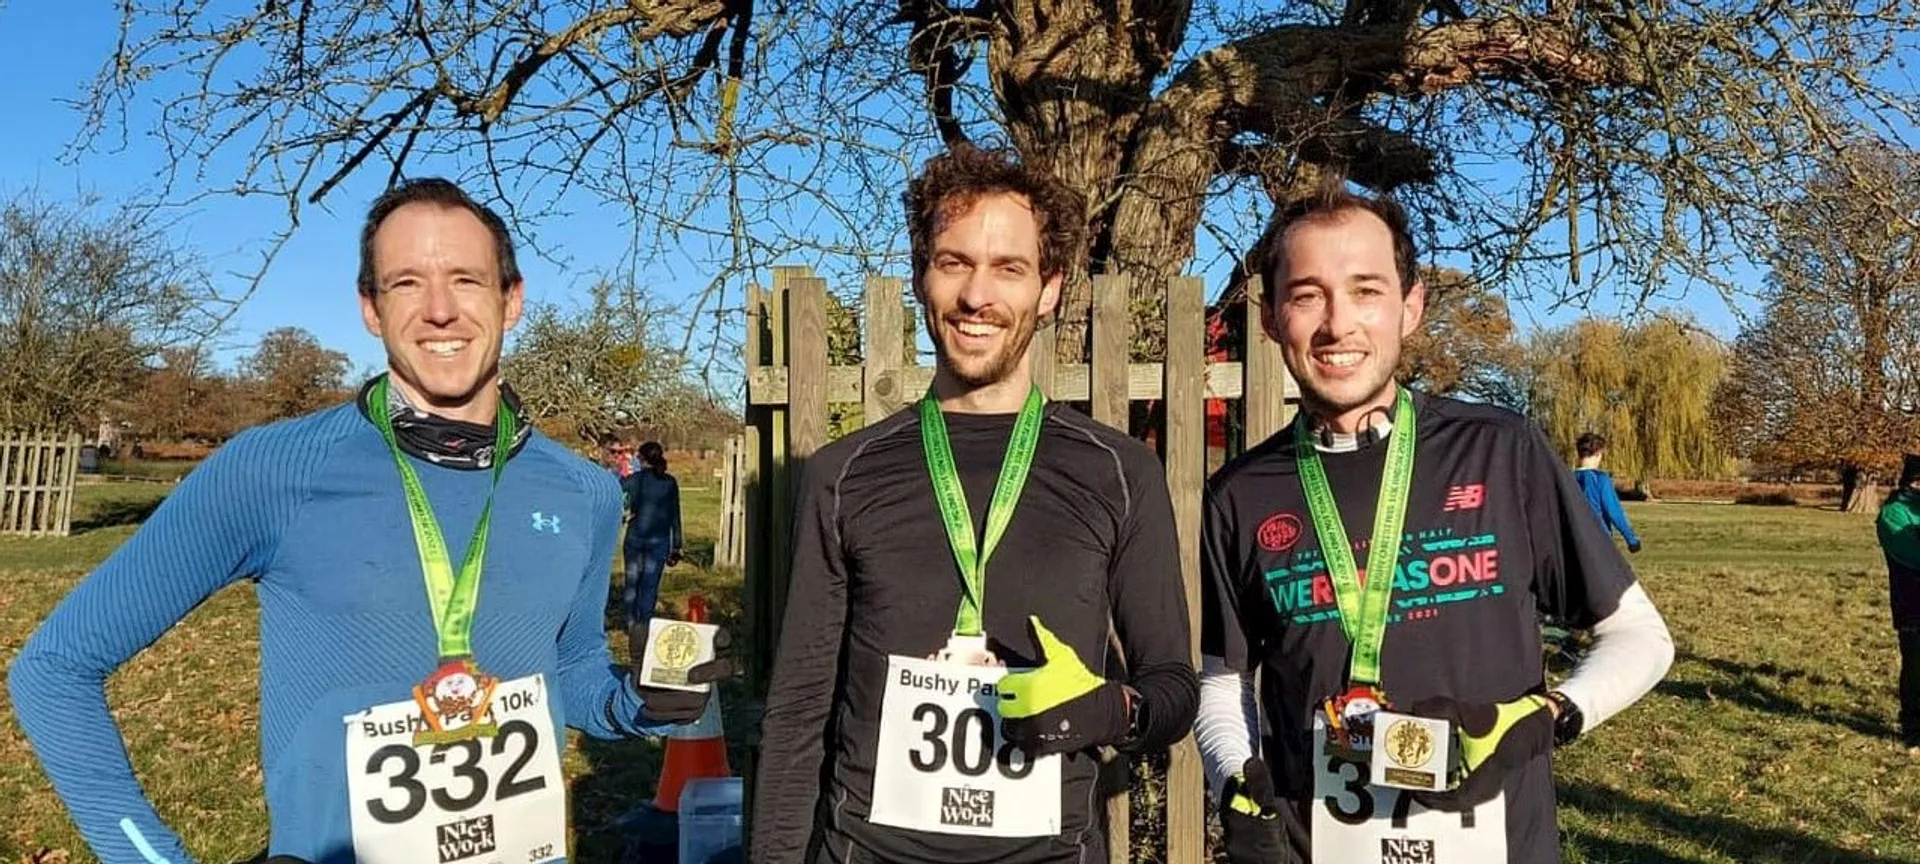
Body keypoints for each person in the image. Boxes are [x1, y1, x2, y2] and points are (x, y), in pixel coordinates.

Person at [7, 177, 726, 864]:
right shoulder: (272, 470)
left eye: (466, 280)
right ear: (370, 309)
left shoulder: (585, 492)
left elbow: (570, 674)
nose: (439, 310)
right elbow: (55, 670)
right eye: (406, 283)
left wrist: (639, 703)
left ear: (512, 300)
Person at [1196, 183, 1675, 864]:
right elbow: (1223, 679)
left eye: (1366, 291)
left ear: (1410, 307)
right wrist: (1234, 783)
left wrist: (1549, 718)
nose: (1338, 325)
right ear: (1272, 318)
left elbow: (1640, 637)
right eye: (1306, 296)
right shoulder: (1239, 494)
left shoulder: (1501, 451)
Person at [751, 145, 1199, 864]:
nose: (976, 295)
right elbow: (799, 708)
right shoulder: (844, 475)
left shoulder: (1120, 473)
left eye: (1009, 268)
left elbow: (1172, 689)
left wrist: (1112, 710)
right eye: (954, 262)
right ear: (921, 277)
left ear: (1050, 290)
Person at [1874, 453, 1920, 752]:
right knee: (1917, 666)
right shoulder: (1894, 514)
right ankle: (1914, 729)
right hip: (1913, 603)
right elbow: (1912, 556)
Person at [620, 440, 684, 631]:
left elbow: (617, 492)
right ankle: (645, 624)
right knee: (650, 585)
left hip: (635, 537)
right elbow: (675, 514)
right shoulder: (669, 482)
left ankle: (631, 622)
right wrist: (677, 544)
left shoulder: (635, 480)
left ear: (641, 458)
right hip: (659, 540)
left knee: (632, 581)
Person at [1573, 432, 1642, 553]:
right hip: (1599, 539)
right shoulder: (1600, 479)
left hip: (1573, 539)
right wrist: (1631, 539)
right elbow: (1614, 511)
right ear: (1598, 453)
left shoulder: (1568, 478)